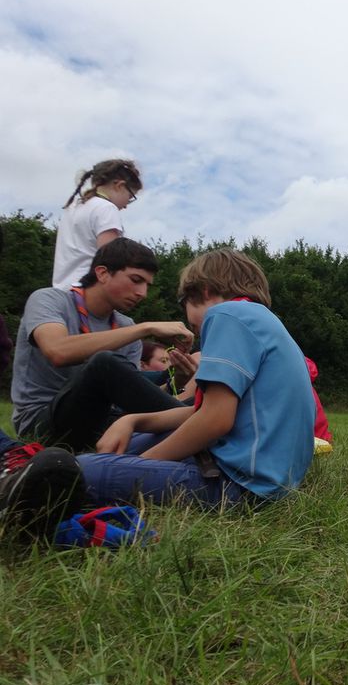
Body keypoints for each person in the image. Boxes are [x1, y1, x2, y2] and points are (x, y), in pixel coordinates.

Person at [74, 248, 316, 507]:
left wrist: (140, 464)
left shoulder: (227, 315)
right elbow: (201, 411)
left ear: (204, 291)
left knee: (81, 471)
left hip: (241, 486)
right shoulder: (258, 319)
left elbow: (214, 421)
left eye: (184, 303)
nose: (189, 324)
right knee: (123, 446)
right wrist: (132, 420)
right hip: (266, 479)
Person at [11, 238, 193, 453]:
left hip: (102, 420)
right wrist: (145, 329)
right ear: (102, 273)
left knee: (194, 399)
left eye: (146, 285)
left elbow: (128, 397)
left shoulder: (126, 326)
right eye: (136, 280)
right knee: (103, 363)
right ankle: (200, 428)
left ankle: (200, 423)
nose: (142, 293)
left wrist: (175, 381)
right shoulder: (49, 300)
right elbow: (57, 350)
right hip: (41, 422)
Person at [52, 160, 143, 290]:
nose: (126, 206)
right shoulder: (106, 208)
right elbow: (109, 259)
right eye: (129, 197)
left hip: (62, 291)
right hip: (87, 292)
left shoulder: (73, 207)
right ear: (119, 185)